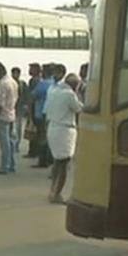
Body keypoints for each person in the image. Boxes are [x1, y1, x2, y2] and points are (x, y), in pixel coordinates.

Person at [45, 73, 83, 204]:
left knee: (57, 161)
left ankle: (52, 191)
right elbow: (79, 108)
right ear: (75, 85)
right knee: (64, 164)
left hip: (53, 127)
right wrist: (78, 94)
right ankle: (57, 194)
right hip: (64, 130)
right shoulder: (69, 95)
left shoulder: (53, 91)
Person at [0, 62, 18, 175]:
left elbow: (0, 104)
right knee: (11, 141)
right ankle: (11, 164)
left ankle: (5, 166)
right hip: (11, 113)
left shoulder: (2, 84)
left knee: (4, 142)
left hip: (3, 115)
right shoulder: (13, 82)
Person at [31, 64, 55, 168]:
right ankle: (49, 159)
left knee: (42, 137)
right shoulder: (54, 84)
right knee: (49, 137)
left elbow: (33, 96)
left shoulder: (43, 84)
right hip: (52, 114)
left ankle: (42, 160)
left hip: (40, 113)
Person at [25, 63, 42, 158]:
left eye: (31, 68)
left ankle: (33, 151)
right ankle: (33, 151)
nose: (29, 70)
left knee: (33, 129)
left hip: (34, 108)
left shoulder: (35, 81)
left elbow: (32, 96)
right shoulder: (35, 80)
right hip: (34, 108)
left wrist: (29, 108)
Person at [11, 67, 29, 153]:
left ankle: (16, 144)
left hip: (19, 108)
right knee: (12, 128)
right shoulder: (10, 83)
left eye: (16, 73)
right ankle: (13, 144)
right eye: (13, 73)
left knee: (18, 128)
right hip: (11, 108)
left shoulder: (22, 84)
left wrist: (25, 105)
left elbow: (26, 95)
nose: (15, 75)